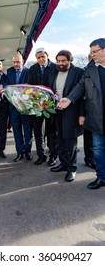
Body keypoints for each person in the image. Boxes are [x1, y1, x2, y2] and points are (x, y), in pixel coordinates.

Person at [58, 38, 105, 189]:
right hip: (97, 116)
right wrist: (70, 99)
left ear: (104, 50)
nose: (92, 55)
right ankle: (101, 177)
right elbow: (80, 87)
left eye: (95, 51)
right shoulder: (89, 70)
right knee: (98, 149)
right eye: (91, 52)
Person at [47, 50, 84, 182]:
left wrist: (82, 114)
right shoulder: (53, 72)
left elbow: (82, 95)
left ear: (70, 60)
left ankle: (71, 168)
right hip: (56, 111)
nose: (60, 63)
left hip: (72, 111)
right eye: (58, 61)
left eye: (63, 61)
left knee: (70, 141)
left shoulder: (79, 72)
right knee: (60, 138)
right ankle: (63, 164)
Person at [27, 47, 57, 165]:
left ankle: (53, 155)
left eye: (43, 57)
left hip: (50, 105)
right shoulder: (33, 69)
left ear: (47, 55)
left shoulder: (54, 67)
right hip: (37, 105)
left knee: (51, 131)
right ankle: (41, 155)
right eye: (38, 57)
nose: (41, 59)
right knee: (38, 131)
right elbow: (30, 85)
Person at [7, 52, 33, 162]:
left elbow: (31, 87)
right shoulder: (9, 71)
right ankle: (19, 152)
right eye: (14, 62)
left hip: (25, 106)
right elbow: (6, 84)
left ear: (23, 62)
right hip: (13, 107)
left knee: (27, 130)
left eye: (18, 62)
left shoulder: (28, 72)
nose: (16, 64)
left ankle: (28, 152)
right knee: (16, 130)